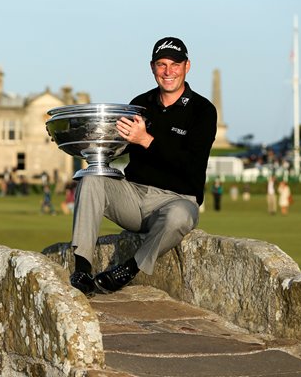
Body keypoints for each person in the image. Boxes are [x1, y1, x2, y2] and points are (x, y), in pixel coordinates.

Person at [69, 37, 217, 296]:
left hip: (176, 200)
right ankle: (82, 267)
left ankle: (129, 269)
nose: (168, 71)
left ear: (187, 66)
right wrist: (87, 140)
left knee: (180, 216)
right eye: (161, 64)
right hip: (134, 195)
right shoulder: (140, 103)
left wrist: (146, 140)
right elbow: (120, 147)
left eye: (175, 64)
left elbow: (191, 163)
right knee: (91, 179)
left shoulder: (202, 111)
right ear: (152, 67)